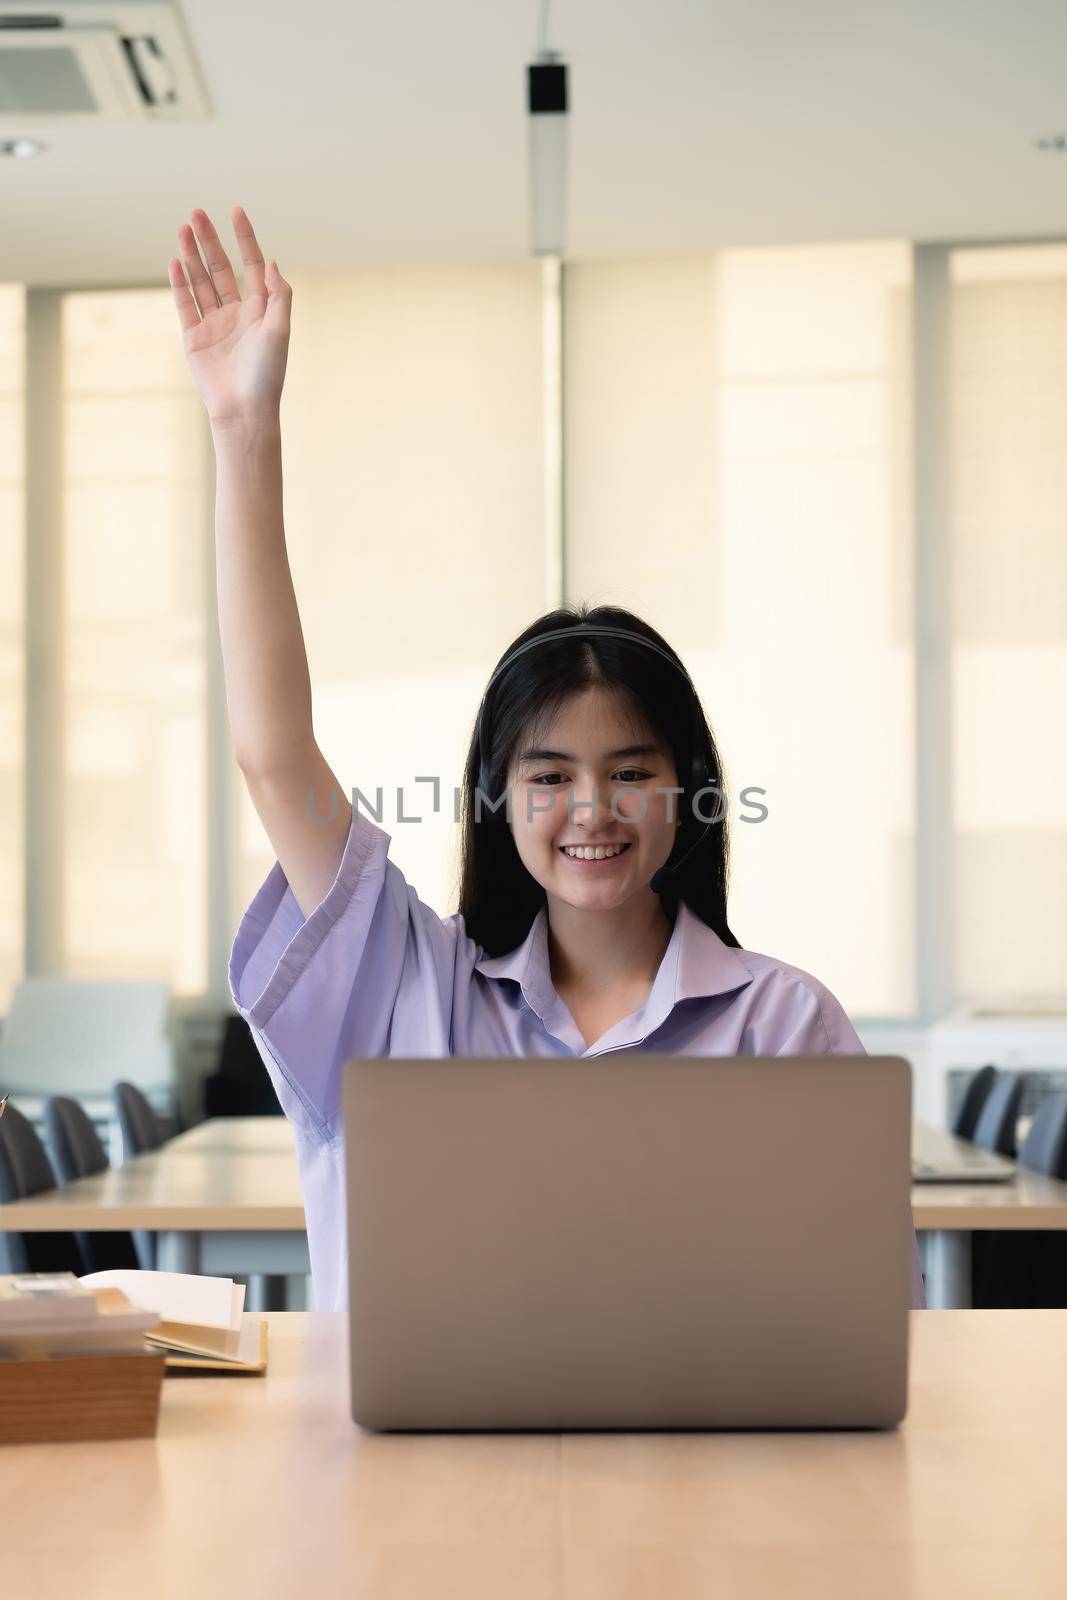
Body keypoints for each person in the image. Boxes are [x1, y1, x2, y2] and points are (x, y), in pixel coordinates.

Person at [169, 207, 926, 1314]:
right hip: (411, 1485)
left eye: (629, 768)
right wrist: (244, 430)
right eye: (548, 774)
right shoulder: (406, 988)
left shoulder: (781, 1025)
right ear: (497, 797)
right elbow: (273, 755)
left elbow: (865, 1314)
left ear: (685, 789)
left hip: (708, 1481)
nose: (591, 808)